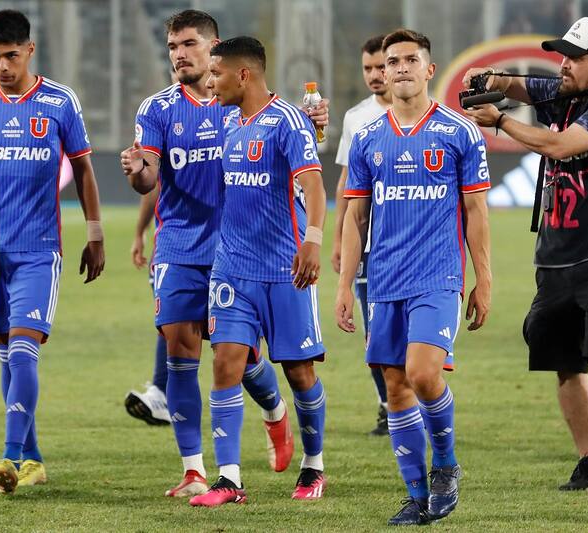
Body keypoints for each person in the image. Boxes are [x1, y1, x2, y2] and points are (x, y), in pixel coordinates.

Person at [121, 10, 326, 498]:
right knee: (190, 352)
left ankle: (285, 425)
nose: (180, 55)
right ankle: (205, 472)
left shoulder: (237, 106)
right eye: (172, 46)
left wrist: (312, 124)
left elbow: (298, 154)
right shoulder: (159, 109)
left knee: (272, 363)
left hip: (267, 253)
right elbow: (149, 177)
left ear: (217, 50)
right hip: (186, 248)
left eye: (189, 45)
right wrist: (136, 175)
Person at [337, 29, 491, 525]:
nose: (399, 68)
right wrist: (344, 286)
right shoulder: (367, 138)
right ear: (382, 72)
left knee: (424, 375)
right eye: (391, 61)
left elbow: (475, 209)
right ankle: (416, 494)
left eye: (410, 60)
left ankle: (446, 465)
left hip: (438, 277)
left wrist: (483, 279)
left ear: (429, 69)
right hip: (383, 281)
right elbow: (355, 217)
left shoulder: (458, 132)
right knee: (395, 386)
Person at [0, 9, 105, 495]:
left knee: (23, 351)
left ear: (30, 50)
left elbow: (84, 169)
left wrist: (96, 232)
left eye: (11, 56)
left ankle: (7, 455)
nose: (2, 66)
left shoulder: (60, 102)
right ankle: (34, 459)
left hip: (39, 250)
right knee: (6, 356)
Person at [188, 35, 328, 507]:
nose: (210, 83)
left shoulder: (287, 121)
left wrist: (312, 241)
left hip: (285, 268)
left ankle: (314, 466)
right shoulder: (228, 121)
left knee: (299, 371)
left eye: (217, 74)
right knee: (226, 362)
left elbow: (313, 185)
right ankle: (228, 479)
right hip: (232, 269)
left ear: (243, 74)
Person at [464, 16, 588, 491]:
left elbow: (560, 145)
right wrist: (492, 82)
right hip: (555, 260)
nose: (564, 64)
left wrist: (499, 120)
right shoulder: (563, 89)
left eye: (576, 57)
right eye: (563, 54)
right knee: (565, 363)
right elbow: (523, 84)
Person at [332, 34, 392, 436]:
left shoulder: (430, 115)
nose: (374, 75)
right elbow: (346, 183)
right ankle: (388, 406)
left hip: (408, 246)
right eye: (367, 68)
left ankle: (412, 399)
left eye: (380, 67)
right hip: (367, 246)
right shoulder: (357, 117)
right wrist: (338, 239)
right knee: (374, 336)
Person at [124, 183, 172, 425]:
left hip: (222, 243)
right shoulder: (159, 146)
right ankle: (161, 392)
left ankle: (267, 398)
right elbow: (153, 182)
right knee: (169, 321)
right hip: (171, 247)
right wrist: (140, 231)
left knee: (229, 333)